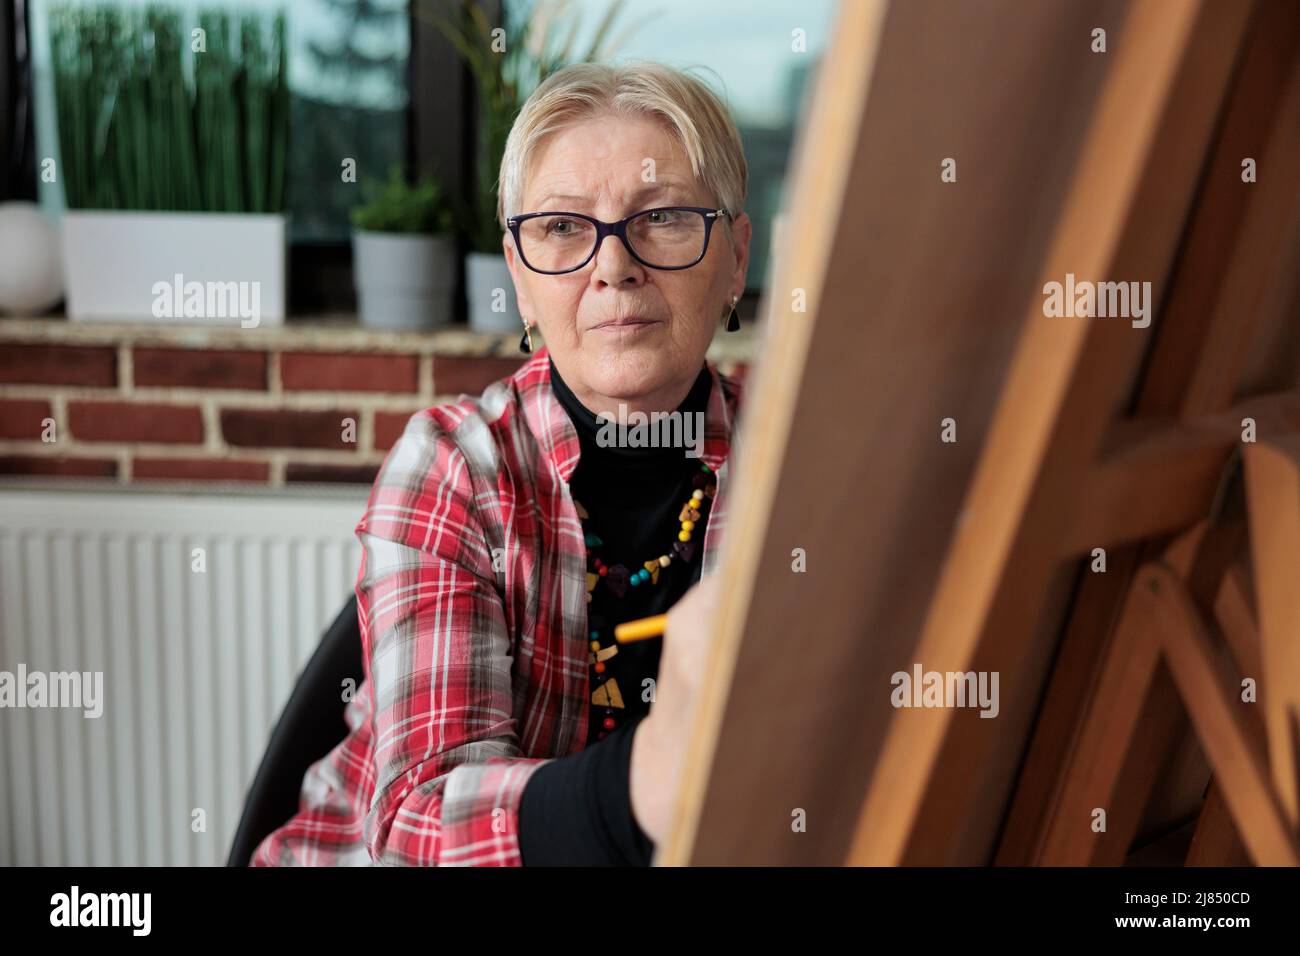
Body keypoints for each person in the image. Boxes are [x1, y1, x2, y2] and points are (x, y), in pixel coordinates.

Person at [252, 60, 751, 866]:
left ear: (737, 257)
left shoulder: (798, 468)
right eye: (562, 228)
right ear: (520, 279)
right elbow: (416, 825)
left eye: (662, 216)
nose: (613, 266)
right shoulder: (453, 467)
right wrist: (646, 783)